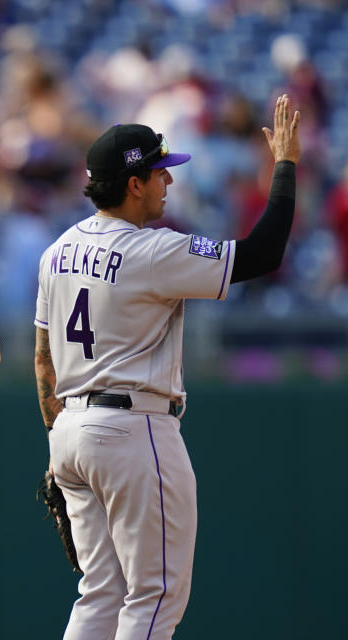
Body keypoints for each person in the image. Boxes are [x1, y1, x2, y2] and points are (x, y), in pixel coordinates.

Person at [33, 94, 300, 639]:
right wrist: (286, 166)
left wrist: (59, 435)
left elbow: (43, 362)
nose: (169, 184)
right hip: (133, 428)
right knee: (155, 594)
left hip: (71, 432)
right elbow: (263, 253)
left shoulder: (57, 250)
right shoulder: (150, 250)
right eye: (160, 173)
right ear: (134, 184)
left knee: (100, 593)